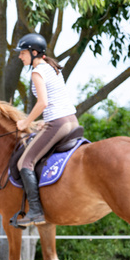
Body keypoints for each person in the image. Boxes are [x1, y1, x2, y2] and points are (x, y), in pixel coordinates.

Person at [14, 32, 78, 225]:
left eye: (23, 53)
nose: (20, 56)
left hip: (58, 123)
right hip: (71, 120)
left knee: (25, 163)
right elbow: (54, 102)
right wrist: (42, 121)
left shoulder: (37, 72)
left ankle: (35, 211)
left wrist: (25, 123)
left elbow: (42, 102)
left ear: (34, 52)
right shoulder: (52, 68)